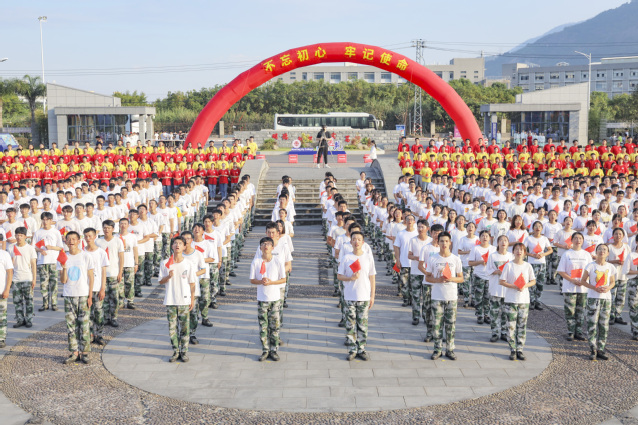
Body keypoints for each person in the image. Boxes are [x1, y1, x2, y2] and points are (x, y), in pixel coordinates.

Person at [337, 231, 376, 361]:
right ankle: (352, 349)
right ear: (351, 242)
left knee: (363, 325)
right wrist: (350, 278)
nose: (356, 242)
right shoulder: (346, 258)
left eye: (359, 239)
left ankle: (361, 349)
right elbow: (339, 276)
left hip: (364, 296)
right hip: (349, 296)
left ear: (363, 242)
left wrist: (372, 296)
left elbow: (372, 277)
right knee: (350, 324)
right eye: (354, 239)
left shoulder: (368, 257)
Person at [425, 231, 463, 360]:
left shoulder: (455, 259)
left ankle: (450, 349)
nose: (444, 243)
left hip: (451, 296)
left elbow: (461, 278)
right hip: (437, 296)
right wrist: (437, 280)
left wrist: (451, 278)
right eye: (441, 241)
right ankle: (437, 349)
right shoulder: (433, 258)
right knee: (437, 324)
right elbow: (427, 277)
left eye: (446, 241)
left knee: (450, 325)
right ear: (438, 242)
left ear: (450, 243)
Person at [158, 236, 196, 363]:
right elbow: (160, 281)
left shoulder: (188, 264)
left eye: (180, 243)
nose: (177, 245)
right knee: (172, 329)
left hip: (184, 300)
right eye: (175, 243)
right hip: (171, 300)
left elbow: (192, 283)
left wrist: (192, 299)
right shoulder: (165, 263)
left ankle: (184, 352)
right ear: (172, 246)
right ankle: (176, 351)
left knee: (185, 328)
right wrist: (168, 277)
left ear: (184, 246)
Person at [250, 236, 287, 362]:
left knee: (275, 326)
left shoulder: (277, 261)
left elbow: (283, 279)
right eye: (263, 244)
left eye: (268, 244)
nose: (266, 246)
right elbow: (252, 280)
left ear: (272, 247)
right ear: (260, 248)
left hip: (275, 298)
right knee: (263, 326)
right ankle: (265, 350)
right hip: (262, 298)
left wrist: (271, 282)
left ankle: (274, 350)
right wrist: (261, 281)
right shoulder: (256, 262)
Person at [60, 231, 95, 365]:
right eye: (69, 239)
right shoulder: (63, 257)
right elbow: (63, 280)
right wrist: (64, 268)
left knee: (84, 325)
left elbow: (91, 277)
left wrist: (90, 295)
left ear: (79, 241)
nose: (71, 242)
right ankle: (74, 352)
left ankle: (84, 353)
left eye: (74, 239)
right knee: (71, 326)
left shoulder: (86, 256)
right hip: (69, 295)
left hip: (83, 295)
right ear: (66, 241)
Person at [499, 242, 536, 361]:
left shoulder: (528, 266)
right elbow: (501, 281)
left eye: (521, 249)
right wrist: (513, 286)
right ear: (513, 252)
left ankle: (520, 349)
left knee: (522, 325)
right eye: (517, 249)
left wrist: (524, 285)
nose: (519, 251)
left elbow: (533, 281)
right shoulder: (508, 265)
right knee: (511, 326)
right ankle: (512, 349)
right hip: (511, 300)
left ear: (524, 252)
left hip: (524, 300)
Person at [581, 243, 616, 361]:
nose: (602, 251)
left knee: (604, 325)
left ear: (608, 253)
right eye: (600, 249)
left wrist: (608, 288)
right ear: (596, 252)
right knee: (592, 324)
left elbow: (612, 282)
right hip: (593, 298)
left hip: (606, 299)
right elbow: (583, 281)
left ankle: (601, 349)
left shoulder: (610, 267)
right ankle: (593, 349)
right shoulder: (590, 266)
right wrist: (594, 288)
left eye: (604, 249)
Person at [556, 232, 589, 341]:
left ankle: (578, 331)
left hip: (583, 287)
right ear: (572, 240)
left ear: (583, 241)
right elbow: (561, 271)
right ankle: (570, 331)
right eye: (576, 238)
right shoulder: (567, 254)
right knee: (570, 310)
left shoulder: (586, 255)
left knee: (581, 311)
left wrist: (583, 280)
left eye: (580, 238)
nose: (578, 240)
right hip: (570, 286)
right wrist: (572, 280)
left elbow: (590, 270)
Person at [32, 212, 65, 311]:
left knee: (54, 284)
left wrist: (51, 247)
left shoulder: (56, 232)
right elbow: (33, 247)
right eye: (43, 219)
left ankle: (54, 303)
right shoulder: (38, 232)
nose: (45, 221)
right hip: (42, 262)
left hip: (53, 261)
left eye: (47, 219)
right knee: (44, 284)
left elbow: (60, 247)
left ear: (51, 220)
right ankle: (45, 304)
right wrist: (40, 250)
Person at [83, 228, 109, 346]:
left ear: (94, 237)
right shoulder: (82, 252)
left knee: (98, 313)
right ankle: (89, 335)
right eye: (86, 236)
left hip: (97, 287)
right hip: (85, 288)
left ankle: (99, 335)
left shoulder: (101, 252)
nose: (88, 238)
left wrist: (102, 288)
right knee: (87, 314)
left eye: (90, 236)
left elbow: (104, 271)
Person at [96, 220, 125, 327]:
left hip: (113, 273)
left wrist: (120, 272)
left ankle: (114, 317)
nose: (106, 230)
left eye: (109, 228)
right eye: (104, 228)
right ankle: (105, 317)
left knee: (114, 298)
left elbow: (121, 257)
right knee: (104, 297)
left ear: (113, 229)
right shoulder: (98, 241)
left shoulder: (118, 241)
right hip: (101, 274)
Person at [10, 227, 36, 329]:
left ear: (25, 236)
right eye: (17, 235)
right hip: (15, 279)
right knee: (17, 301)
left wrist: (34, 279)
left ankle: (29, 320)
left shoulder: (30, 248)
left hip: (27, 278)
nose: (19, 237)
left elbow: (33, 264)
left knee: (29, 301)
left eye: (21, 235)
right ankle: (20, 320)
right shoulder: (11, 248)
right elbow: (9, 266)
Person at [0, 241, 13, 348]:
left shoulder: (4, 254)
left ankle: (1, 338)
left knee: (2, 317)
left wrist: (7, 289)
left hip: (1, 291)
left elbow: (10, 272)